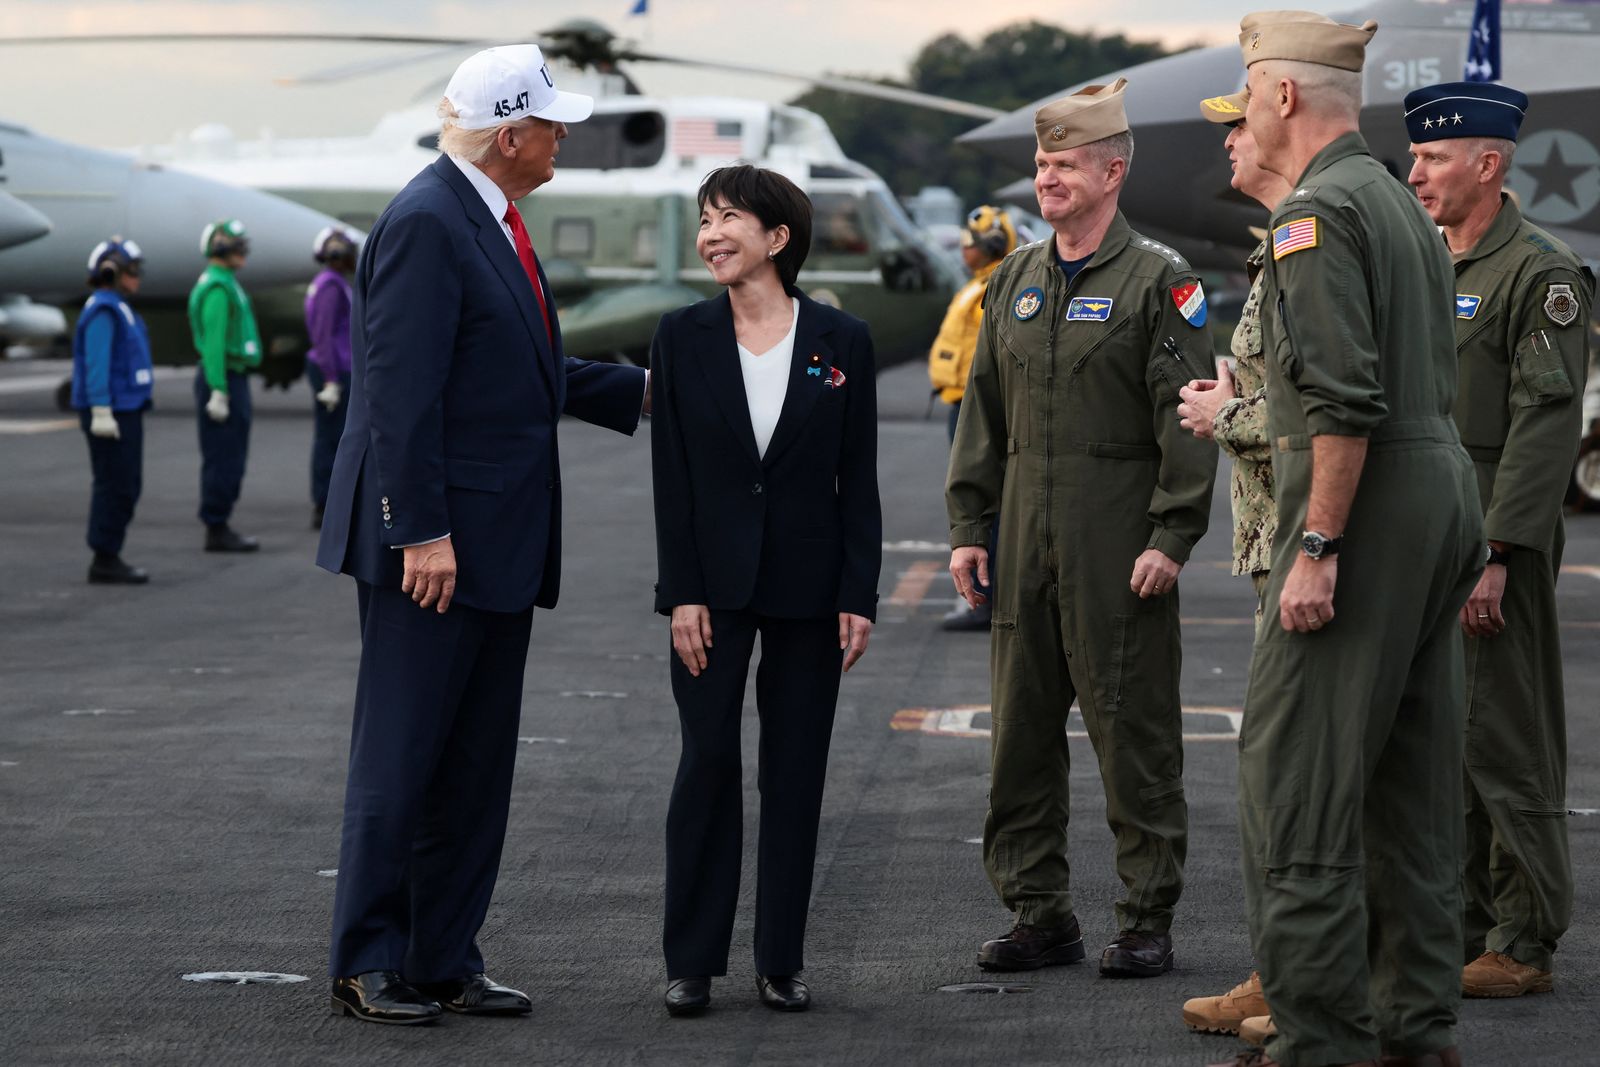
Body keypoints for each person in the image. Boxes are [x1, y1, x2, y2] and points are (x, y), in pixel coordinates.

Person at [315, 44, 648, 1026]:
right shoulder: (429, 221)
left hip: (492, 542)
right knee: (403, 754)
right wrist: (420, 529)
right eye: (552, 126)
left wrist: (660, 391)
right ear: (510, 134)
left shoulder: (488, 221)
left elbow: (524, 368)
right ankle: (367, 956)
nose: (561, 141)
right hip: (437, 548)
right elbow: (401, 393)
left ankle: (442, 952)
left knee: (471, 763)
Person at [1214, 14, 1483, 1067]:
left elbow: (1340, 399)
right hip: (1436, 486)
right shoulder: (1394, 201)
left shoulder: (1315, 215)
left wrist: (1316, 540)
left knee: (1299, 778)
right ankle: (1415, 1023)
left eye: (1245, 96)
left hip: (1361, 502)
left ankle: (1319, 1032)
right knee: (1408, 785)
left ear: (1281, 96)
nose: (1241, 115)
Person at [945, 78, 1217, 981]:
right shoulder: (1015, 278)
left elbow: (1188, 417)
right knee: (1018, 736)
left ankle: (1145, 916)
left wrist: (1170, 535)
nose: (1045, 177)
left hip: (1116, 537)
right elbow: (983, 411)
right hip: (1023, 530)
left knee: (1133, 736)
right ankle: (1039, 912)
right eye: (1040, 162)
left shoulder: (1161, 281)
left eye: (1063, 163)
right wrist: (969, 523)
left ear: (1113, 169)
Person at [651, 164, 881, 1018]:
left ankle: (780, 958)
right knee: (706, 764)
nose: (711, 234)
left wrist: (859, 592)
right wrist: (681, 592)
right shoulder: (680, 336)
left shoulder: (840, 339)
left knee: (795, 774)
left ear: (777, 238)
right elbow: (670, 478)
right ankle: (692, 961)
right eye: (704, 220)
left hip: (810, 589)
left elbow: (855, 483)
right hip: (709, 591)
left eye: (727, 219)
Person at [1405, 81, 1593, 1001]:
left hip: (1492, 535)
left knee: (1506, 734)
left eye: (1433, 158)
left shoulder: (1542, 274)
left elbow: (1546, 425)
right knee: (1447, 733)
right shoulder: (1428, 265)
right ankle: (1472, 920)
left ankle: (1525, 935)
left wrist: (1500, 551)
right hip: (1428, 531)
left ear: (1488, 163)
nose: (1416, 173)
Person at [1173, 89, 1289, 1042]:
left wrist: (1226, 416)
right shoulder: (1281, 241)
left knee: (1296, 774)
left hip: (1307, 543)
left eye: (1240, 122)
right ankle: (1292, 972)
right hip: (1280, 544)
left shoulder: (1317, 238)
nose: (1225, 140)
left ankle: (1308, 986)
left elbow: (1340, 410)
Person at [928, 205, 1017, 632]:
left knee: (981, 506)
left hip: (974, 407)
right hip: (961, 403)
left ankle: (984, 598)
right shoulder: (980, 284)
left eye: (970, 243)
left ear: (991, 246)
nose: (964, 250)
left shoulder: (998, 286)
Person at [72, 236, 154, 585]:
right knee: (114, 484)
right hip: (112, 413)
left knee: (126, 483)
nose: (137, 277)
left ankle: (109, 552)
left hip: (126, 409)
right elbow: (97, 364)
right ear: (111, 272)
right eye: (132, 271)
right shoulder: (104, 310)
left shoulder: (118, 306)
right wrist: (101, 408)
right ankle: (104, 558)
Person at [188, 217, 262, 553]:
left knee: (231, 453)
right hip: (224, 378)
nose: (243, 251)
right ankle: (216, 526)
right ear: (220, 246)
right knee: (222, 455)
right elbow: (214, 344)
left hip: (231, 378)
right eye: (238, 245)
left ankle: (220, 522)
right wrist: (218, 389)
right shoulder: (218, 288)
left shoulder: (225, 282)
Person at [304, 226, 358, 530]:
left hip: (336, 369)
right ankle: (323, 506)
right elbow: (322, 336)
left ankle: (330, 503)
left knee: (334, 438)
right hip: (334, 371)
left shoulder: (333, 283)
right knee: (330, 440)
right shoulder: (330, 286)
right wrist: (330, 380)